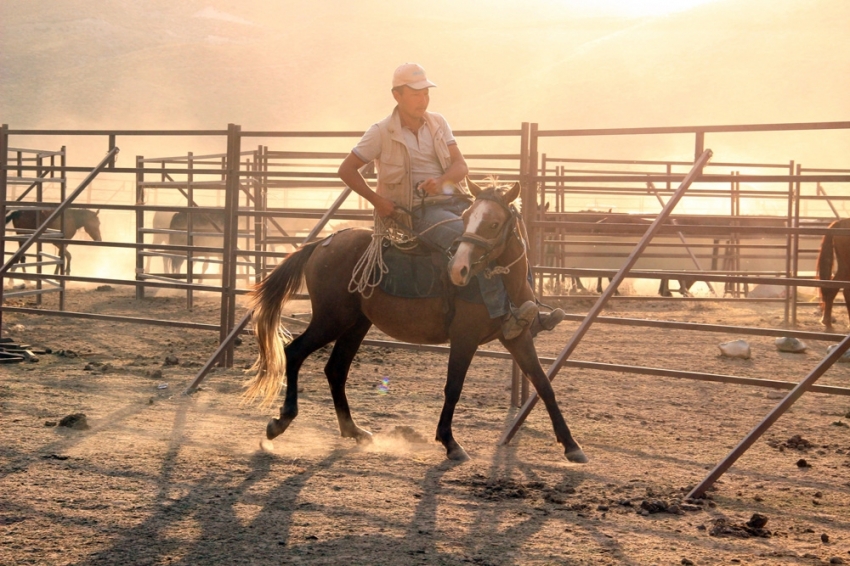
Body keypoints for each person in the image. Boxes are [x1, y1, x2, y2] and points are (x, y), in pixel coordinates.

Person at [338, 62, 564, 339]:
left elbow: (460, 166)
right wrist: (378, 201)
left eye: (426, 94)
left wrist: (442, 181)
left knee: (509, 227)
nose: (423, 100)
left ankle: (531, 308)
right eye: (416, 94)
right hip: (415, 212)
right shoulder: (381, 132)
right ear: (397, 95)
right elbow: (346, 170)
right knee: (469, 239)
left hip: (453, 200)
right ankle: (505, 315)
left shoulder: (438, 122)